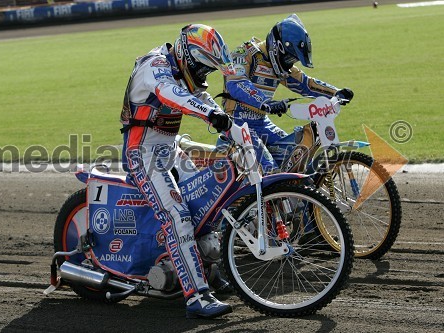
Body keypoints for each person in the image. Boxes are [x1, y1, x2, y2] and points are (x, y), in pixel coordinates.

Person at [120, 23, 234, 319]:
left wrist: (235, 126)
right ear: (188, 55)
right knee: (178, 216)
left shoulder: (182, 67)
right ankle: (197, 297)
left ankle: (209, 271)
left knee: (209, 200)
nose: (203, 76)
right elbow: (172, 94)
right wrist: (211, 115)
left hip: (169, 151)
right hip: (141, 154)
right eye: (203, 69)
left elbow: (202, 99)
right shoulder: (155, 65)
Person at [220, 14, 354, 173]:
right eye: (290, 58)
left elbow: (306, 85)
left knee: (295, 158)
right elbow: (236, 82)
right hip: (237, 124)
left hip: (262, 123)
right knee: (272, 172)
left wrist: (336, 92)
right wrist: (266, 103)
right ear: (277, 47)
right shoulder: (244, 54)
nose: (290, 63)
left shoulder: (280, 64)